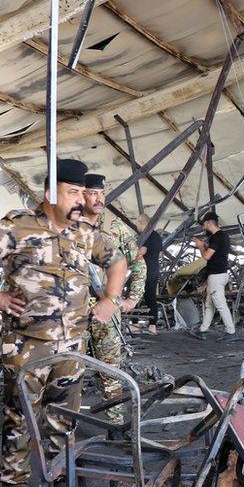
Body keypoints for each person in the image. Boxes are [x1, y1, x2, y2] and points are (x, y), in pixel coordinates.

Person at [0, 159, 128, 487]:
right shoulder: (19, 225)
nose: (80, 200)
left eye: (83, 192)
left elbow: (117, 262)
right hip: (27, 346)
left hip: (72, 348)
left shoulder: (84, 231)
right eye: (73, 192)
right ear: (51, 194)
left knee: (64, 422)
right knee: (20, 421)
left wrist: (110, 300)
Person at [80, 174, 143, 425]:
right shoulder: (68, 226)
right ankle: (66, 427)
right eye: (92, 193)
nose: (98, 199)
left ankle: (115, 425)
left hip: (107, 311)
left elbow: (138, 263)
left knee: (111, 372)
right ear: (80, 195)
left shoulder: (115, 228)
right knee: (70, 372)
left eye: (102, 193)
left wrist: (132, 298)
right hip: (75, 313)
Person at [188, 211, 237, 342]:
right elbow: (215, 253)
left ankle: (231, 332)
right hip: (220, 274)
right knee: (209, 304)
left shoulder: (216, 237)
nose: (203, 227)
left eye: (204, 224)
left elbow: (206, 256)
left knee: (220, 304)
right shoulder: (223, 236)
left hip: (216, 276)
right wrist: (204, 245)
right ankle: (203, 330)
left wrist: (200, 246)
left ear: (210, 223)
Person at [136, 212, 163, 335]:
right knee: (151, 297)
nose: (137, 226)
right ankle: (152, 326)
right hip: (154, 269)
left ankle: (135, 324)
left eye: (137, 223)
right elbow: (160, 254)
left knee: (135, 295)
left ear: (142, 222)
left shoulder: (146, 236)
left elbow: (141, 252)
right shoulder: (157, 236)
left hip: (144, 270)